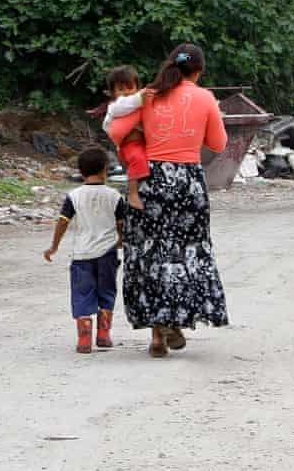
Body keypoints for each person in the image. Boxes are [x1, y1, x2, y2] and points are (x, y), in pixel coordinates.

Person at [106, 43, 228, 358]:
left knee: (149, 254)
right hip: (187, 182)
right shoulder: (204, 98)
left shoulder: (148, 95)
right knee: (184, 252)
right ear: (198, 71)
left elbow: (116, 130)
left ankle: (157, 336)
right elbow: (218, 142)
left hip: (149, 180)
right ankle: (175, 317)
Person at [43, 147, 127, 354]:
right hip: (107, 253)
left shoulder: (74, 196)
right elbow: (122, 224)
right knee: (107, 291)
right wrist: (121, 241)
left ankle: (84, 338)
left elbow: (63, 222)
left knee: (82, 294)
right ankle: (104, 334)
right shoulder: (114, 196)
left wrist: (54, 246)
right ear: (106, 169)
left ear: (80, 172)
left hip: (81, 255)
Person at [87, 66, 149, 211]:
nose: (126, 92)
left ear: (137, 86)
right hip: (129, 146)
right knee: (138, 159)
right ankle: (133, 194)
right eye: (121, 89)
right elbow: (127, 105)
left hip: (142, 144)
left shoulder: (139, 103)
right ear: (113, 92)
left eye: (130, 87)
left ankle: (142, 190)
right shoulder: (116, 106)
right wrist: (141, 97)